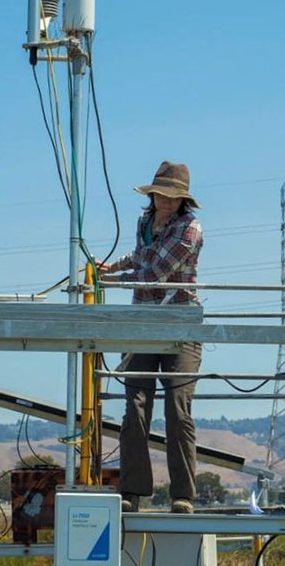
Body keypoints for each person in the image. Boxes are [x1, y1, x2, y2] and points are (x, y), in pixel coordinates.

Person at [98, 161, 204, 515]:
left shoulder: (190, 229)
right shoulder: (145, 222)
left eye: (174, 198)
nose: (167, 202)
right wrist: (112, 266)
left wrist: (114, 280)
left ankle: (182, 495)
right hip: (142, 322)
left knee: (177, 410)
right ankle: (133, 491)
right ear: (154, 194)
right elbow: (143, 256)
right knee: (135, 407)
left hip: (180, 322)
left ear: (183, 201)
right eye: (162, 195)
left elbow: (158, 272)